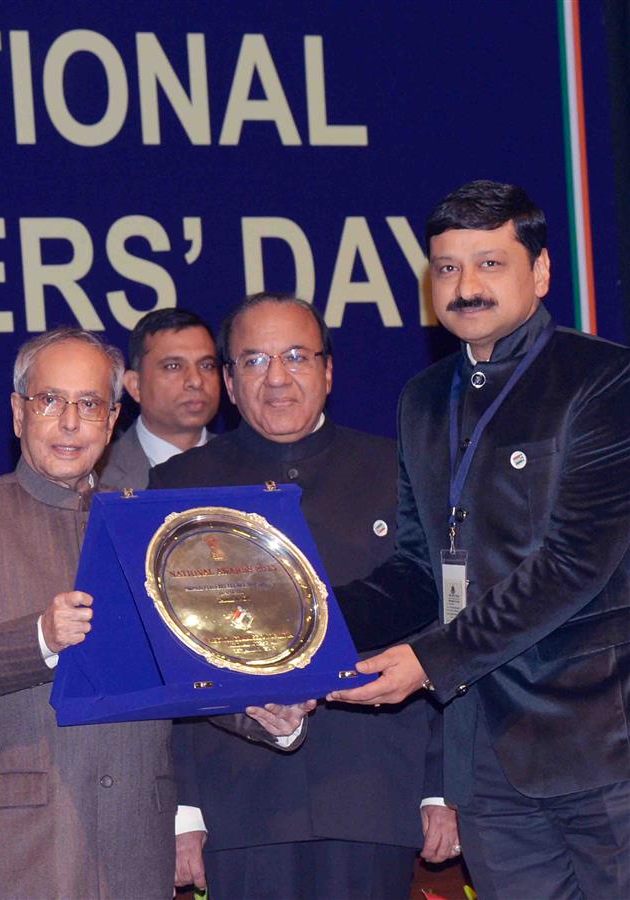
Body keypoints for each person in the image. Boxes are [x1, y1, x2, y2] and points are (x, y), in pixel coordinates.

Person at [0, 327, 313, 899]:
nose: (71, 422)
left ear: (114, 418)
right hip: (19, 839)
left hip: (135, 837)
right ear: (19, 413)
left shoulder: (145, 526)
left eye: (90, 404)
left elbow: (183, 662)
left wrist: (265, 712)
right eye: (51, 401)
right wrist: (40, 638)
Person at [329, 180, 630, 899]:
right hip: (484, 758)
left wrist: (426, 662)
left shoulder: (603, 380)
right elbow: (417, 567)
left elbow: (572, 565)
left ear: (542, 271)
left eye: (489, 263)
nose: (464, 288)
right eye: (446, 268)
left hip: (599, 745)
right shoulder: (423, 400)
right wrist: (305, 625)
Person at [150, 294, 455, 899]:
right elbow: (169, 663)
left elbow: (443, 632)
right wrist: (184, 810)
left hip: (373, 788)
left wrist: (439, 786)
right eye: (255, 361)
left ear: (328, 370)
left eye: (296, 356)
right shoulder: (179, 487)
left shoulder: (400, 471)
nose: (279, 378)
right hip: (238, 803)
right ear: (230, 383)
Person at [99, 307, 221, 489]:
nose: (195, 381)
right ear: (134, 385)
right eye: (173, 366)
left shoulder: (251, 467)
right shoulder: (97, 473)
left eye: (206, 365)